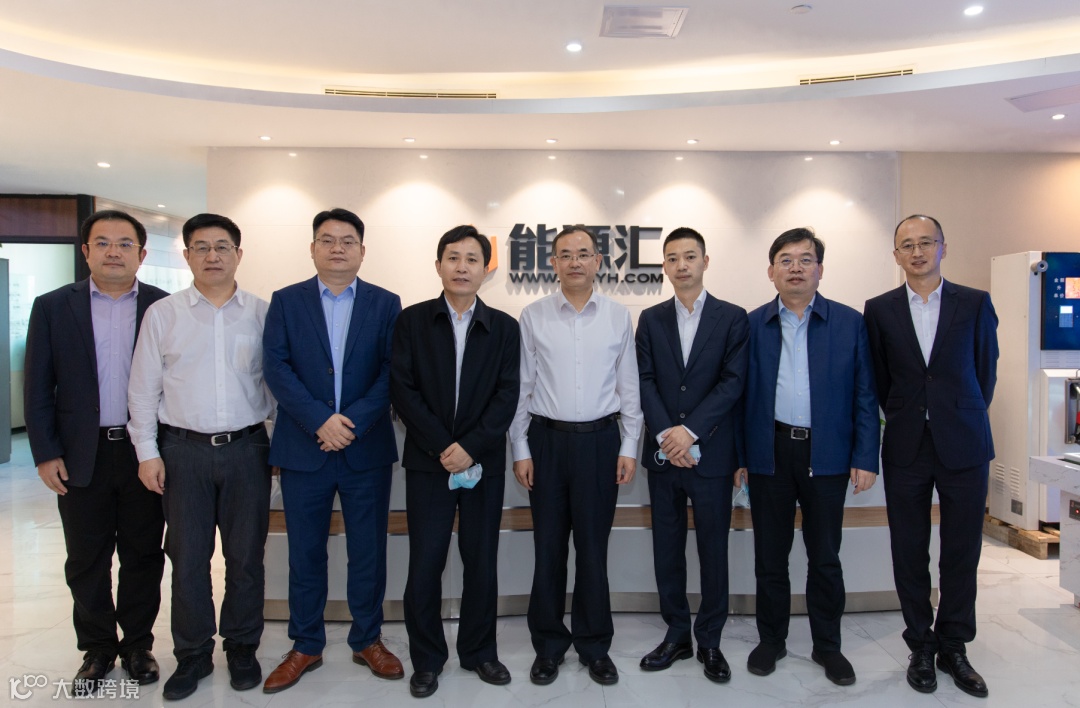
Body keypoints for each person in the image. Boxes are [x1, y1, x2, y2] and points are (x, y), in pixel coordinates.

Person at [128, 213, 274, 701]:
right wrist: (147, 453)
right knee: (188, 558)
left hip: (247, 449)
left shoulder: (262, 313)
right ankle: (192, 653)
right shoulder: (163, 314)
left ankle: (242, 646)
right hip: (182, 451)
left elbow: (276, 387)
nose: (213, 256)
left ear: (238, 254)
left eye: (222, 247)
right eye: (202, 247)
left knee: (246, 557)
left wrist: (278, 446)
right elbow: (142, 390)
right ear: (187, 254)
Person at [24, 210, 168, 694]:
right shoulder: (52, 306)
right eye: (102, 242)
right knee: (86, 557)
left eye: (125, 244)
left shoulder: (162, 306)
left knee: (143, 553)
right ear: (85, 251)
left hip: (144, 452)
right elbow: (38, 385)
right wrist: (45, 452)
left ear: (141, 254)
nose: (113, 252)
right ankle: (98, 647)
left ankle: (138, 645)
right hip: (80, 454)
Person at [261, 208, 404, 693]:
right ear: (312, 248)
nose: (337, 248)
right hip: (304, 447)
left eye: (347, 241)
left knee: (368, 551)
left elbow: (392, 371)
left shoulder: (386, 303)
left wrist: (351, 423)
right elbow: (276, 367)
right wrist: (319, 420)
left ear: (363, 250)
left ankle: (368, 639)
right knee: (305, 553)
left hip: (365, 449)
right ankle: (305, 644)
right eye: (327, 240)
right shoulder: (286, 301)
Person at [863, 215, 998, 699]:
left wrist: (955, 411)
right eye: (907, 245)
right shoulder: (879, 309)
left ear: (943, 247)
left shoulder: (975, 303)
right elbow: (880, 379)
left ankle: (954, 646)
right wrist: (909, 414)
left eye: (926, 243)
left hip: (964, 441)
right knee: (908, 548)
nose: (917, 252)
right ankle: (920, 644)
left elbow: (985, 370)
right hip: (906, 445)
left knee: (962, 550)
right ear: (895, 255)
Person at [739, 227, 878, 686]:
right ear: (771, 271)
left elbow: (865, 394)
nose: (795, 268)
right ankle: (772, 639)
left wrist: (865, 456)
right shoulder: (752, 325)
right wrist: (741, 456)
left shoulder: (849, 323)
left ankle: (828, 646)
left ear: (820, 269)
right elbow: (739, 397)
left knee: (825, 557)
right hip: (770, 452)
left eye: (805, 259)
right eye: (785, 260)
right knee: (770, 556)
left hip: (828, 453)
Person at [390, 225, 520, 698]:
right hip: (429, 462)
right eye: (453, 257)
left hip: (482, 464)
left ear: (485, 269)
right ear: (438, 265)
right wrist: (444, 446)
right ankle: (427, 659)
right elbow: (402, 389)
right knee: (426, 562)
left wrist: (471, 446)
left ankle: (480, 651)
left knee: (480, 560)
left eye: (472, 259)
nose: (462, 267)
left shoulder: (504, 327)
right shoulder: (412, 321)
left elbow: (508, 395)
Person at [510, 225, 643, 687]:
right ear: (553, 263)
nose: (575, 262)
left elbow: (629, 385)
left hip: (601, 444)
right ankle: (548, 647)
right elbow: (522, 387)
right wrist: (521, 448)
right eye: (565, 254)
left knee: (592, 550)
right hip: (546, 443)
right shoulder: (534, 316)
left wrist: (629, 445)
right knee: (548, 549)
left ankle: (594, 646)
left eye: (583, 253)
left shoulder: (617, 316)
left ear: (598, 261)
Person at [635, 227, 748, 683]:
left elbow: (733, 382)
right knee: (667, 549)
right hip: (665, 457)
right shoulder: (650, 319)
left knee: (713, 550)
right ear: (664, 266)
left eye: (690, 256)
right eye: (672, 258)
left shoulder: (732, 318)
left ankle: (711, 640)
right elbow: (643, 380)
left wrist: (690, 431)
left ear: (705, 261)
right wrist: (669, 435)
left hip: (712, 455)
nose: (681, 265)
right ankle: (677, 634)